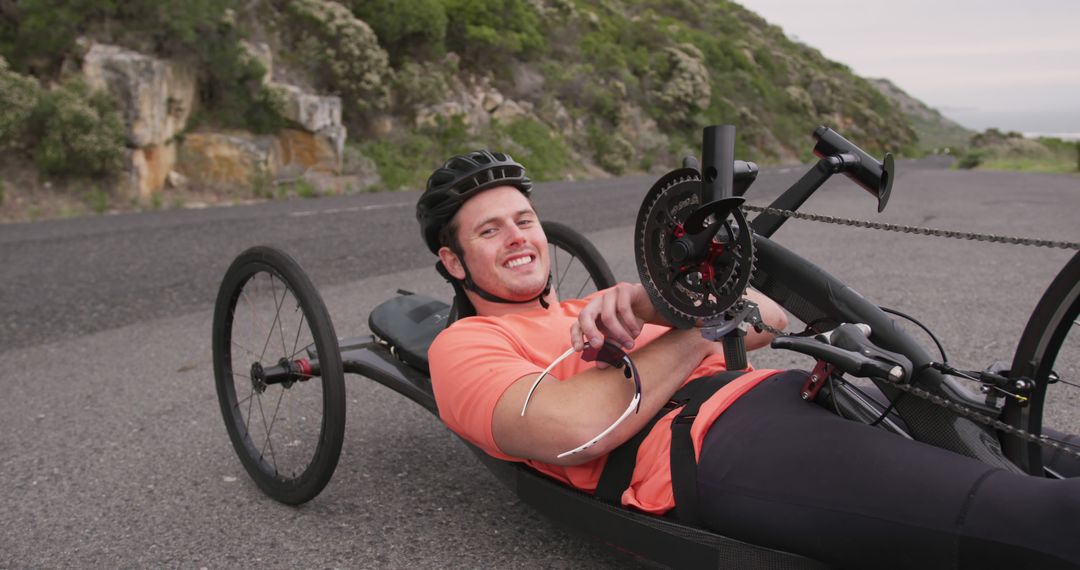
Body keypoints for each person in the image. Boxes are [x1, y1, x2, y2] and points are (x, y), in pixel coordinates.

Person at [417, 150, 1080, 569]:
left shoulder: (590, 309)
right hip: (713, 447)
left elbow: (768, 315)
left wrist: (655, 306)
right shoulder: (465, 346)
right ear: (453, 262)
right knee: (1030, 521)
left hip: (796, 397)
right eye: (489, 230)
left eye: (524, 220)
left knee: (1045, 451)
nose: (517, 238)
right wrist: (702, 329)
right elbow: (570, 428)